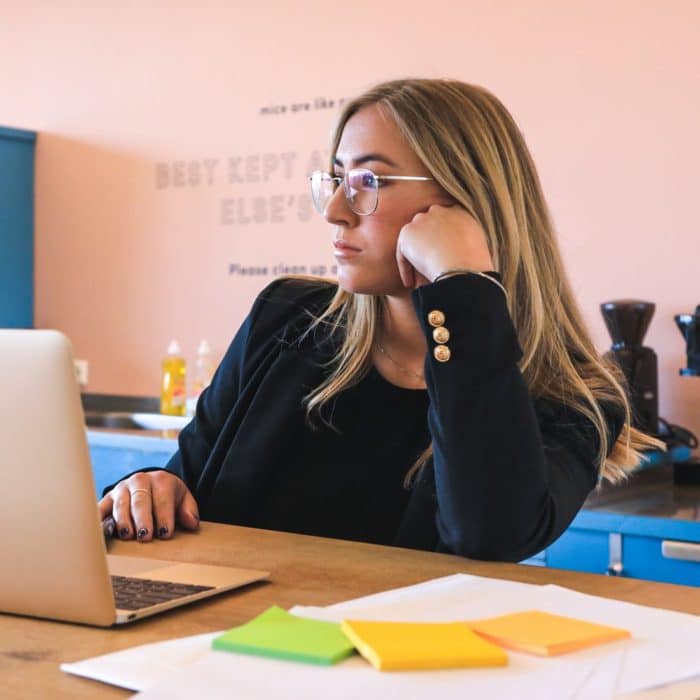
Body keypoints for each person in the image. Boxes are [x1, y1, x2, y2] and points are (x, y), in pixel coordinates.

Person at [99, 79, 662, 562]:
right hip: (221, 654)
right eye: (336, 178)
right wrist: (153, 488)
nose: (336, 209)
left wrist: (463, 288)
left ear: (465, 202)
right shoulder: (286, 320)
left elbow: (491, 537)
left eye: (369, 182)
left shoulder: (573, 397)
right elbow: (184, 482)